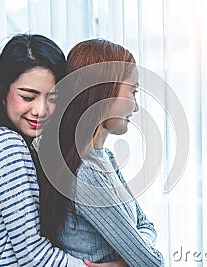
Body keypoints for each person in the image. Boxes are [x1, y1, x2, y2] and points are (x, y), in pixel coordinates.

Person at [0, 33, 126, 267]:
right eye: (28, 96)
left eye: (52, 97)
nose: (40, 110)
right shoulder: (6, 146)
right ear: (2, 92)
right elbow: (34, 256)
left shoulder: (19, 146)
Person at [38, 39, 165, 267]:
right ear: (103, 91)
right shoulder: (85, 173)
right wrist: (134, 256)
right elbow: (152, 262)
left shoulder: (105, 158)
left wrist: (119, 263)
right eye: (132, 92)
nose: (135, 107)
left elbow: (147, 225)